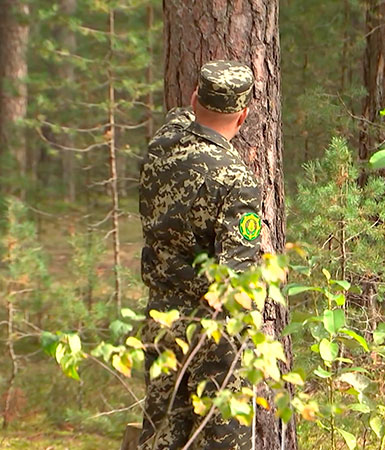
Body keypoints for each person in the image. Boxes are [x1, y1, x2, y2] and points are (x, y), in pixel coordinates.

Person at [138, 60, 262, 450]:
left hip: (162, 316)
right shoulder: (238, 181)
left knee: (161, 435)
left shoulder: (161, 145)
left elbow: (180, 118)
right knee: (222, 437)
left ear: (194, 98)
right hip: (213, 333)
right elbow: (235, 280)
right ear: (243, 115)